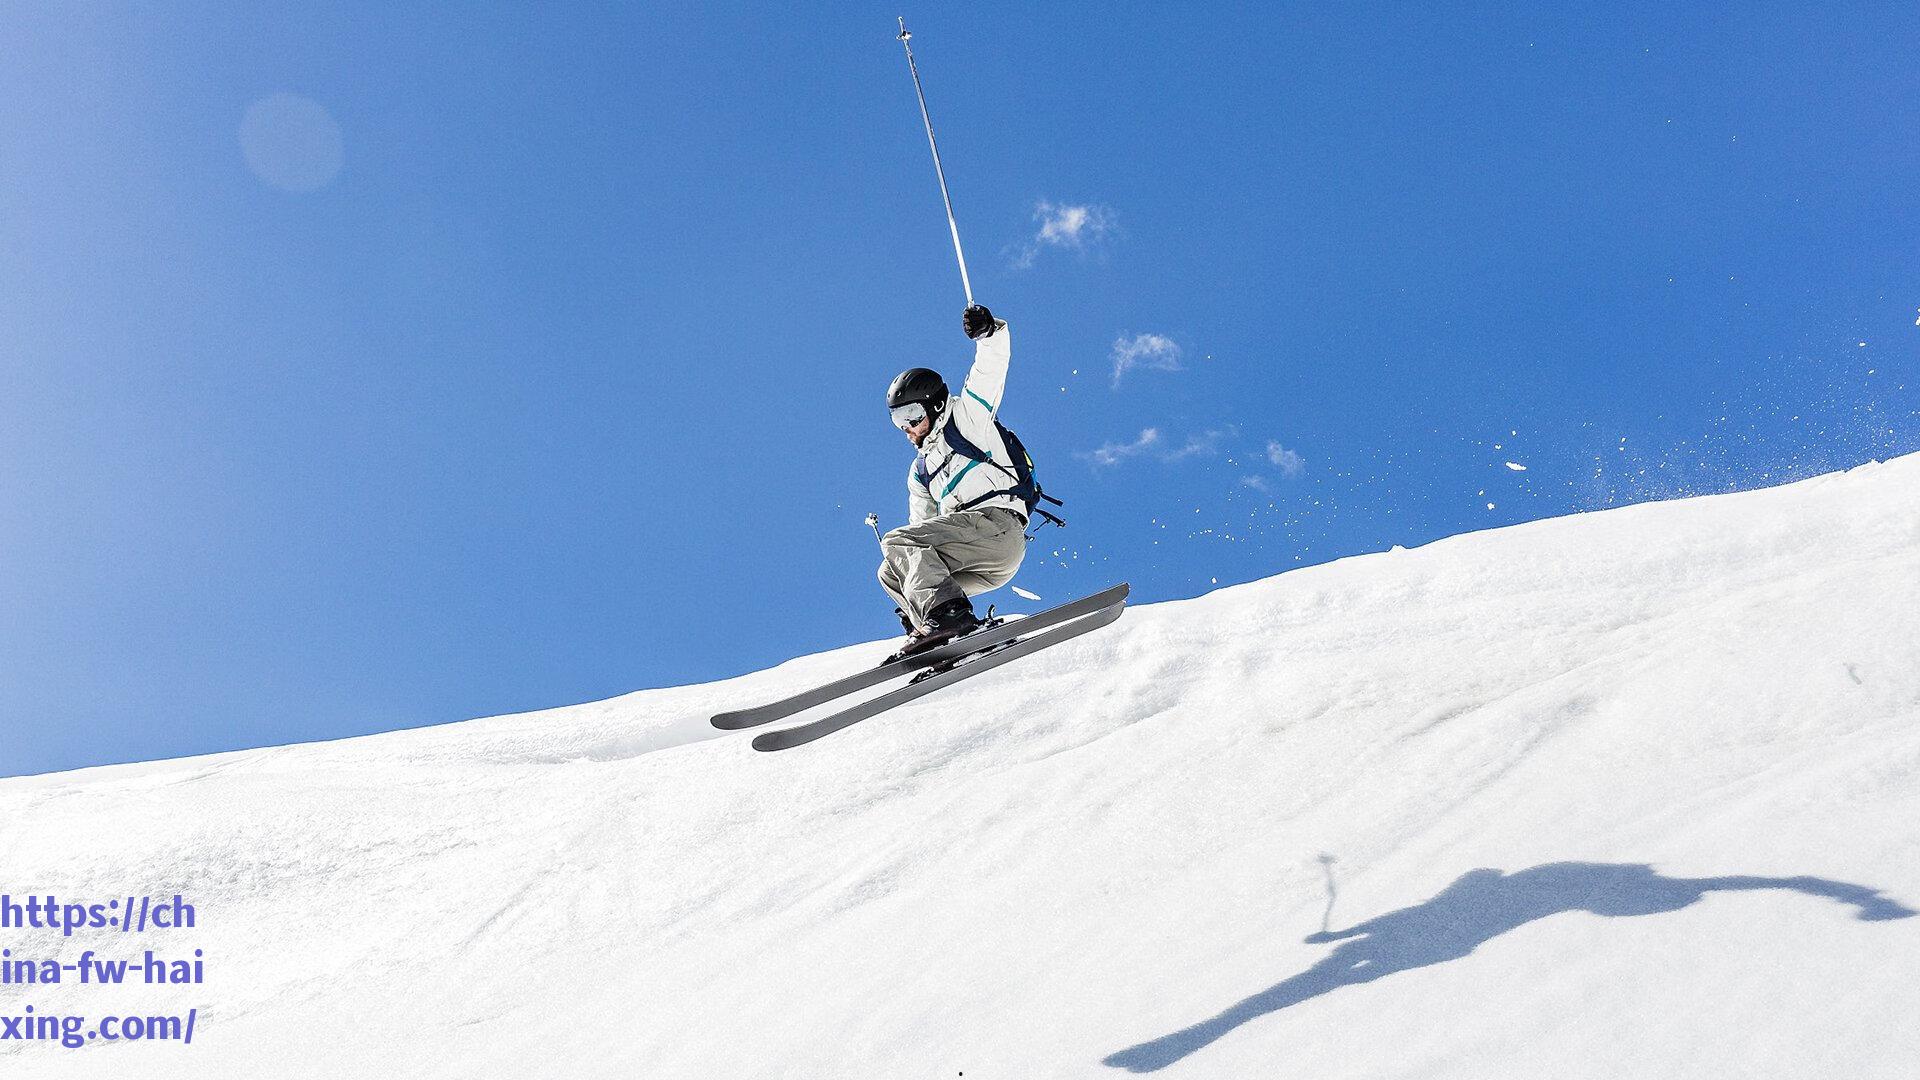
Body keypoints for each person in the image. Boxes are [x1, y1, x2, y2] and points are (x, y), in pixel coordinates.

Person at [879, 302, 1028, 655]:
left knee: (897, 541)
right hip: (975, 560)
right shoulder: (921, 472)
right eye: (898, 420)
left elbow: (990, 371)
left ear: (932, 405)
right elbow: (920, 535)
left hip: (997, 528)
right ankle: (937, 634)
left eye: (912, 415)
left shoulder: (967, 419)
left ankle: (949, 616)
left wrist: (989, 333)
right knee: (890, 569)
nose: (907, 428)